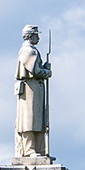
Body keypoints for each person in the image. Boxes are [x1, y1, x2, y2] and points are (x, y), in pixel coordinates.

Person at [15, 25, 51, 158]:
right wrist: (47, 72)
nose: (38, 37)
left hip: (34, 88)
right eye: (36, 35)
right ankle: (30, 149)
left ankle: (39, 148)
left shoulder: (30, 50)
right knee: (29, 119)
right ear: (30, 36)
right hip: (31, 89)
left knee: (37, 119)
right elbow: (35, 71)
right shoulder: (28, 51)